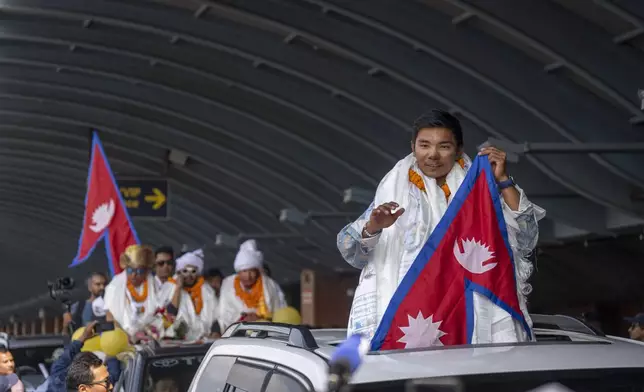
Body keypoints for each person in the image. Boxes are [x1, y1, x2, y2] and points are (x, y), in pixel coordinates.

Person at [337, 109, 545, 344]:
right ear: (413, 146)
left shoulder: (481, 191)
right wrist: (373, 227)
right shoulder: (394, 192)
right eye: (424, 145)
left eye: (444, 146)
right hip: (411, 317)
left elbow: (527, 238)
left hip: (470, 312)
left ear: (459, 149)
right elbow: (350, 251)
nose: (433, 155)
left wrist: (503, 180)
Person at [103, 245, 173, 340]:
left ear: (147, 271)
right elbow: (110, 317)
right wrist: (126, 337)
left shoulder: (152, 284)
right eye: (130, 270)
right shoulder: (115, 286)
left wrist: (149, 331)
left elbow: (159, 312)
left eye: (139, 271)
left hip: (149, 338)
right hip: (122, 339)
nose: (134, 275)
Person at [218, 240, 287, 331]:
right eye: (244, 271)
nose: (248, 276)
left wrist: (259, 318)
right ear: (239, 272)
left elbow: (280, 311)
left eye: (251, 271)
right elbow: (223, 314)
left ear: (257, 271)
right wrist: (242, 318)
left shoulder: (270, 286)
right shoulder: (228, 286)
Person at [46, 321, 121, 392]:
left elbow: (66, 356)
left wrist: (84, 336)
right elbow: (111, 378)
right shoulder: (57, 378)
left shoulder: (57, 378)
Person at [173, 249, 219, 339]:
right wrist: (178, 288)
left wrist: (215, 332)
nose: (189, 276)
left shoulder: (207, 291)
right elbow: (167, 315)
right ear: (179, 272)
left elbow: (217, 316)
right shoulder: (171, 288)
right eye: (185, 271)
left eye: (193, 271)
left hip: (205, 341)